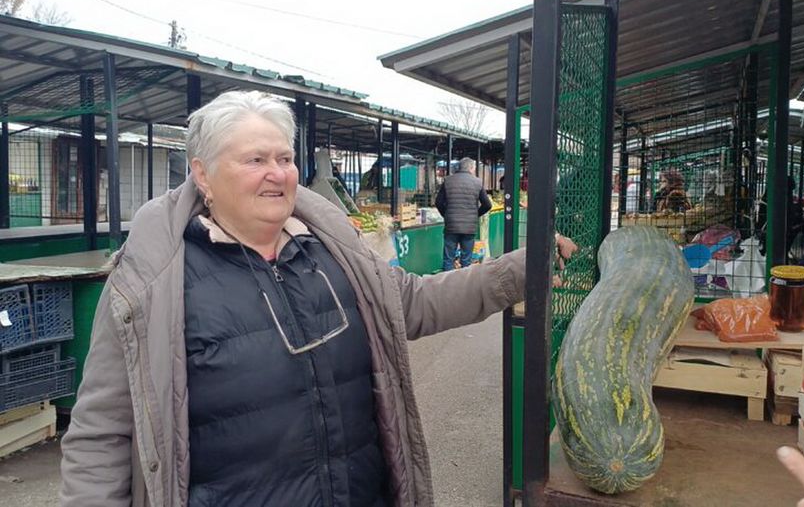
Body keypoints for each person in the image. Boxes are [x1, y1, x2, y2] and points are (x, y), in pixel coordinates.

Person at [59, 90, 577, 507]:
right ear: (203, 174)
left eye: (284, 158)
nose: (277, 172)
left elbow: (416, 301)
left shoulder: (331, 249)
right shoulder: (153, 281)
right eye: (255, 159)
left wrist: (521, 269)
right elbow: (101, 433)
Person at [435, 157, 492, 271]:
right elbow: (487, 205)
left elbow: (438, 202)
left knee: (448, 259)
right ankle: (464, 281)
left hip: (451, 225)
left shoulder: (448, 180)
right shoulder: (477, 182)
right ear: (471, 168)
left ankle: (447, 281)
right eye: (474, 168)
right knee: (466, 260)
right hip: (469, 227)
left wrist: (446, 215)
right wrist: (475, 215)